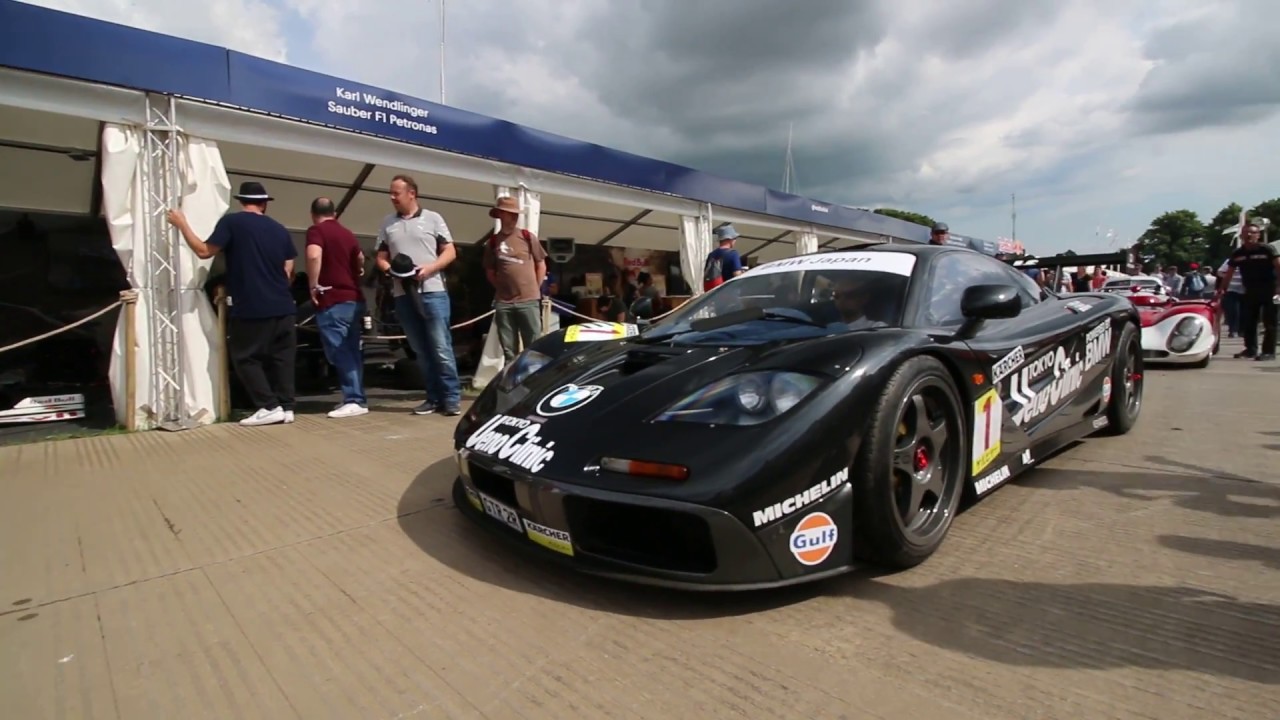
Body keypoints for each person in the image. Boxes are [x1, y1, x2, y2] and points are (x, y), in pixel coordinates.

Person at [166, 181, 298, 426]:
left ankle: (268, 405)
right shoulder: (280, 229)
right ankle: (286, 406)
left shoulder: (232, 222)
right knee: (283, 358)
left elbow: (204, 251)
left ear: (241, 201)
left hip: (252, 303)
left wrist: (182, 223)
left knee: (245, 356)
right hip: (283, 303)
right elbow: (288, 268)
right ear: (264, 203)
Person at [374, 174, 462, 416]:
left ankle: (452, 398)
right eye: (390, 193)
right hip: (403, 294)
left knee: (441, 347)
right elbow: (380, 257)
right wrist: (390, 270)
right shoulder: (387, 223)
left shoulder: (433, 219)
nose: (392, 197)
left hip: (433, 291)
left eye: (396, 193)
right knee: (420, 350)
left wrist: (430, 268)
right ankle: (432, 397)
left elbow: (450, 251)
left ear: (411, 193)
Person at [305, 197, 368, 418]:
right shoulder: (347, 233)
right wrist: (357, 271)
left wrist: (313, 285)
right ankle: (356, 397)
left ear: (313, 214)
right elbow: (360, 258)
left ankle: (353, 399)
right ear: (335, 213)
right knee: (352, 349)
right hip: (353, 297)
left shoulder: (316, 231)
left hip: (332, 298)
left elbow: (314, 255)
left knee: (339, 351)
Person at [482, 196, 547, 362]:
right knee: (508, 349)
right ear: (500, 215)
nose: (513, 217)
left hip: (528, 300)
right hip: (504, 302)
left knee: (533, 346)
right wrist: (501, 288)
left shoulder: (527, 236)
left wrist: (535, 288)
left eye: (514, 214)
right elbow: (490, 271)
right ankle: (511, 381)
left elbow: (541, 264)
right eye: (508, 213)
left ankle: (534, 380)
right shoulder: (493, 241)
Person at [1218, 222, 1280, 360]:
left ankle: (1269, 352)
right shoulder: (1238, 253)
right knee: (1248, 320)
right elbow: (1229, 272)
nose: (1249, 235)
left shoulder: (1267, 249)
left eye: (1252, 232)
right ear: (1241, 236)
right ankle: (1250, 349)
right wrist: (1223, 289)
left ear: (1258, 235)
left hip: (1270, 289)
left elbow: (1278, 267)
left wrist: (1279, 287)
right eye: (1246, 233)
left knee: (1270, 320)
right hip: (1249, 290)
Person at [703, 224, 744, 291]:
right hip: (728, 293)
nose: (735, 241)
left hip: (713, 294)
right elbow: (737, 275)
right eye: (735, 238)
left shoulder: (711, 255)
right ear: (730, 239)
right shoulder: (733, 254)